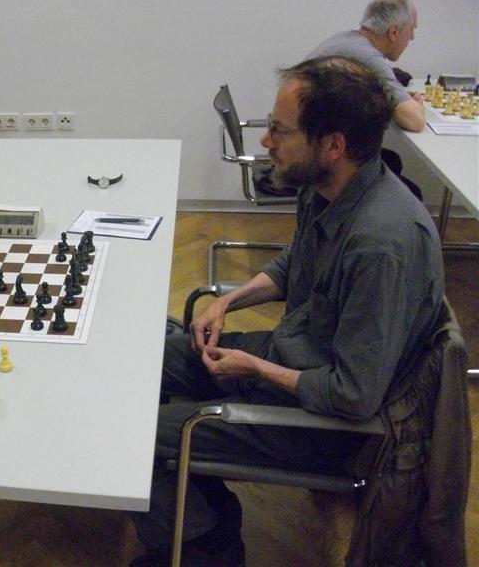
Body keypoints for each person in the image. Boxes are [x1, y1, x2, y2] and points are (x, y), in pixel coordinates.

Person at [129, 56, 444, 566]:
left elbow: (354, 395)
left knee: (133, 436)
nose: (266, 141)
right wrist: (227, 301)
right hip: (286, 361)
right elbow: (296, 263)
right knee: (141, 361)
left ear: (333, 144)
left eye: (280, 130)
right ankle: (203, 510)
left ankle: (208, 549)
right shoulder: (328, 190)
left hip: (320, 425)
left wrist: (254, 368)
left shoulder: (382, 244)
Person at [306, 0, 425, 132]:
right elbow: (415, 121)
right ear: (393, 32)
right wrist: (418, 106)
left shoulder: (346, 39)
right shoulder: (367, 57)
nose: (412, 37)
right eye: (411, 29)